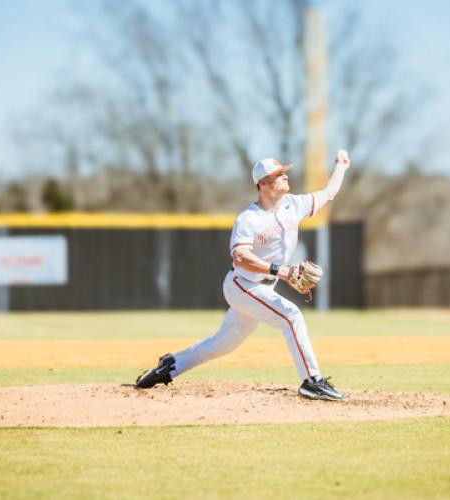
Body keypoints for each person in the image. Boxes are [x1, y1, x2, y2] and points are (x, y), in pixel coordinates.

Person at [135, 150, 351, 400]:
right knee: (291, 316)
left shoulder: (294, 205)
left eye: (284, 173)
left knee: (223, 344)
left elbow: (329, 193)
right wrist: (281, 271)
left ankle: (170, 365)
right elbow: (241, 257)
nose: (284, 177)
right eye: (278, 175)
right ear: (262, 184)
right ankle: (312, 381)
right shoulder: (249, 218)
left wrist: (341, 167)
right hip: (243, 285)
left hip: (262, 288)